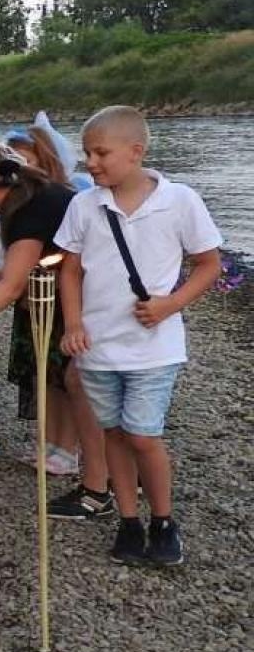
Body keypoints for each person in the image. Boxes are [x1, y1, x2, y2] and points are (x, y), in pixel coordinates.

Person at [56, 106, 222, 567]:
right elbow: (69, 270)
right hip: (98, 345)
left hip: (155, 348)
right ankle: (128, 519)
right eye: (87, 152)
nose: (91, 162)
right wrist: (73, 324)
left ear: (136, 151)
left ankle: (163, 520)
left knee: (142, 434)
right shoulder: (84, 204)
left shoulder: (180, 200)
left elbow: (209, 264)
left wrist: (171, 303)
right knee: (112, 431)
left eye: (101, 152)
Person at [0, 139, 111, 520]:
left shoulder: (26, 210)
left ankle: (99, 487)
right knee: (80, 381)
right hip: (85, 291)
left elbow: (10, 287)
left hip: (101, 295)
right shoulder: (29, 197)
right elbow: (46, 258)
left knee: (85, 382)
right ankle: (113, 476)